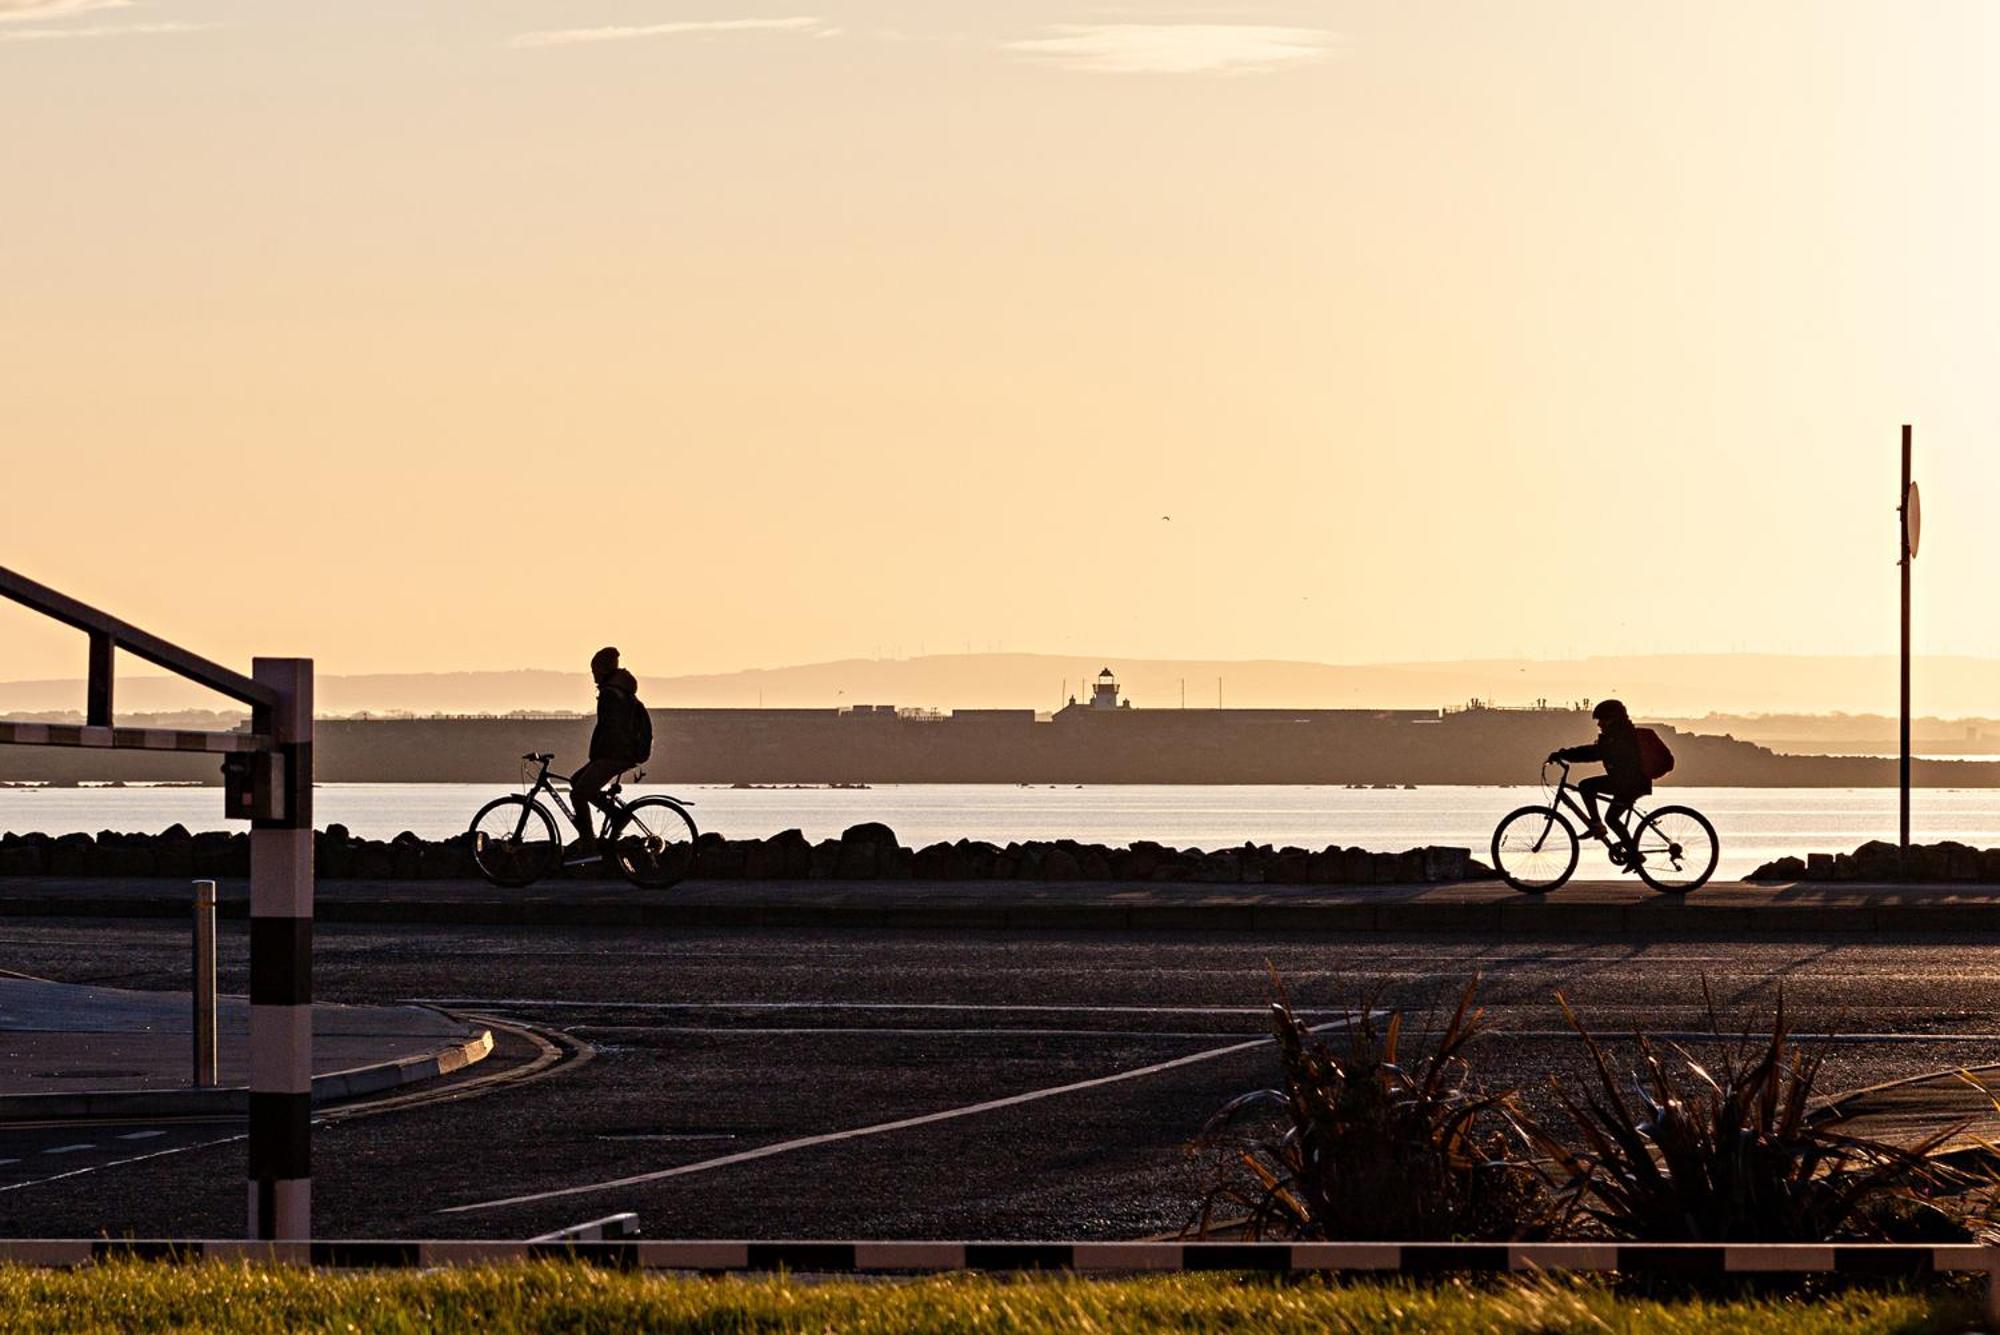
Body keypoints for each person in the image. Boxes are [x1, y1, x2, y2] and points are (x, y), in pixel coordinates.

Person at [1547, 699, 1650, 865]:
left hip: (1629, 784)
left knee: (1587, 787)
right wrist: (1565, 754)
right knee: (1612, 817)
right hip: (1626, 783)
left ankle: (1599, 827)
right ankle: (1627, 849)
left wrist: (1564, 755)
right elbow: (1594, 751)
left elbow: (1594, 753)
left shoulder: (1620, 737)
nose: (1599, 724)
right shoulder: (1617, 735)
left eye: (1602, 720)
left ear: (1613, 718)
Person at [569, 646, 652, 851]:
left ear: (604, 669)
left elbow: (611, 729)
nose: (593, 675)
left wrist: (598, 757)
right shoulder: (621, 691)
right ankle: (615, 815)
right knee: (576, 781)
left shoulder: (611, 694)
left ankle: (589, 843)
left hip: (616, 753)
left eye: (595, 670)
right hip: (619, 752)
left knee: (579, 794)